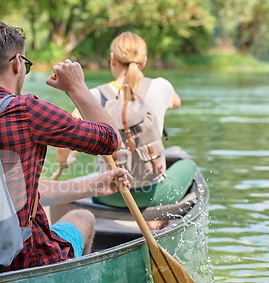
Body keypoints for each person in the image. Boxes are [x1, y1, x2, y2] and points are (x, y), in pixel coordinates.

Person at [0, 21, 129, 271]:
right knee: (83, 217)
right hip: (24, 255)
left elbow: (22, 190)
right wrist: (77, 88)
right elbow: (111, 140)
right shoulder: (27, 110)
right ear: (17, 63)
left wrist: (93, 185)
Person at [57, 31, 195, 213]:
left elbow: (63, 142)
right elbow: (176, 103)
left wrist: (64, 161)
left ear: (112, 59)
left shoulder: (93, 95)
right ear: (144, 61)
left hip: (108, 196)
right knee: (188, 165)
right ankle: (159, 218)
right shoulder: (161, 86)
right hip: (153, 194)